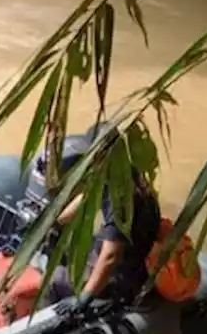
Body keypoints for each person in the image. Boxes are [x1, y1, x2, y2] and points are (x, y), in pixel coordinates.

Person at [40, 128, 163, 311]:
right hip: (136, 258)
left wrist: (84, 298)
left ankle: (49, 326)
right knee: (71, 250)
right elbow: (87, 196)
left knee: (51, 280)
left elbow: (111, 256)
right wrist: (53, 223)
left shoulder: (119, 196)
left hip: (122, 277)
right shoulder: (129, 173)